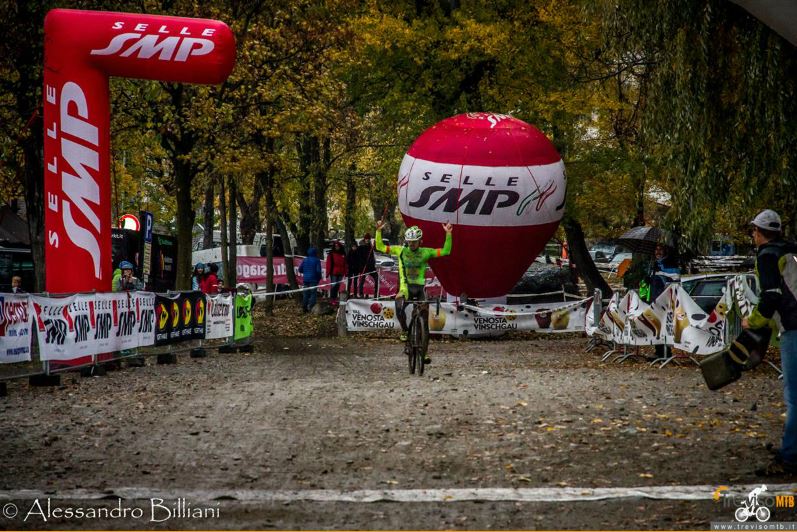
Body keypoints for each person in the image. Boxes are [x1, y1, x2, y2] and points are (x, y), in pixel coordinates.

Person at [741, 209, 797, 476]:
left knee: (794, 396)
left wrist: (753, 322)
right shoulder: (791, 250)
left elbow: (772, 295)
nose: (752, 235)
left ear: (759, 232)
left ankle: (789, 457)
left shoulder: (767, 255)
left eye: (753, 231)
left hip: (793, 326)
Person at [375, 220, 453, 363]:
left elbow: (446, 251)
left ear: (420, 241)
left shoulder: (426, 252)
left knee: (424, 322)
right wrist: (379, 231)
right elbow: (379, 246)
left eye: (414, 242)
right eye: (409, 241)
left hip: (420, 288)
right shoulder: (400, 250)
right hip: (405, 288)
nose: (411, 244)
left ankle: (424, 353)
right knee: (398, 306)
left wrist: (448, 233)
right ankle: (405, 331)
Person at [298, 247, 322, 312]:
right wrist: (319, 277)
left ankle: (304, 307)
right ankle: (311, 307)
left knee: (305, 293)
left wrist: (305, 272)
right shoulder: (317, 260)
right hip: (314, 279)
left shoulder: (305, 260)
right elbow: (318, 271)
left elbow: (300, 269)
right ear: (315, 253)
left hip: (306, 279)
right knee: (313, 293)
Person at [357, 233, 378, 297]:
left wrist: (372, 263)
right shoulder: (361, 247)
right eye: (366, 239)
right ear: (364, 239)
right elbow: (359, 257)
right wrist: (363, 264)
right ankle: (360, 293)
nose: (367, 240)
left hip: (371, 266)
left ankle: (376, 292)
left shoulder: (370, 246)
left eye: (369, 239)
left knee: (376, 277)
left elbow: (372, 255)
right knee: (362, 280)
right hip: (364, 266)